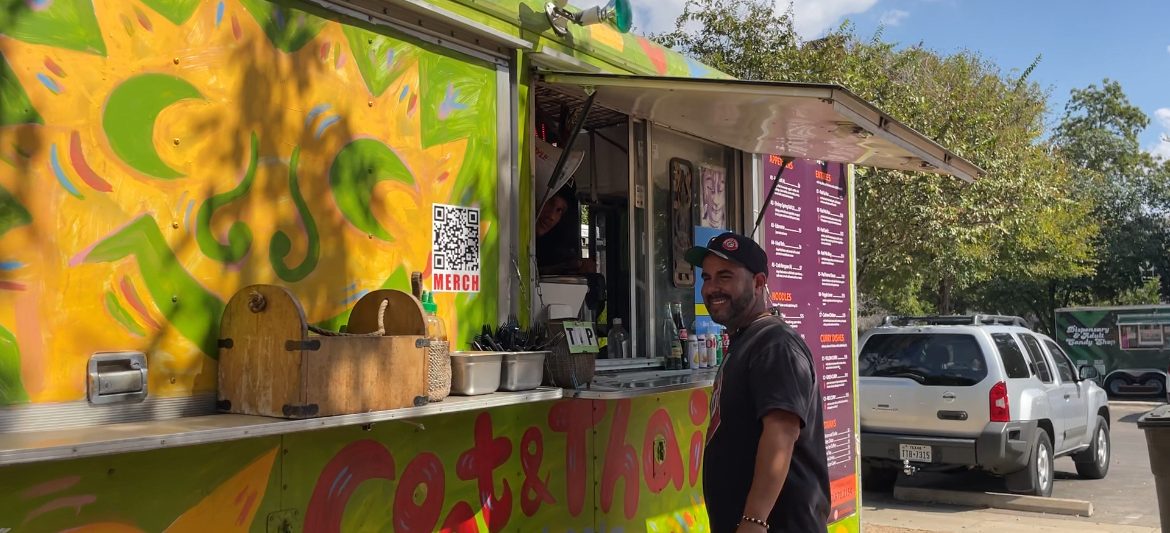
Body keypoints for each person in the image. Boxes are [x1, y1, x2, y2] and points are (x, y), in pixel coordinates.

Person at [685, 232, 830, 532]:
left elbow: (782, 433)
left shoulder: (775, 344)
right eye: (707, 278)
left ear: (758, 282)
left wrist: (754, 520)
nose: (712, 288)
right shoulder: (746, 340)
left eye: (725, 276)